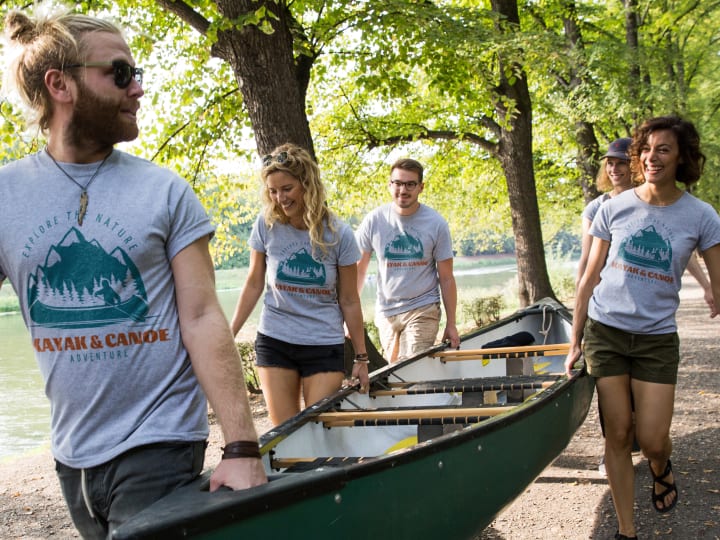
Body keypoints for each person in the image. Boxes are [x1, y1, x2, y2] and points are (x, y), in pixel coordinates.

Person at [0, 9, 266, 538]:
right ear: (61, 85)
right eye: (120, 73)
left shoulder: (165, 193)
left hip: (160, 441)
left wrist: (239, 445)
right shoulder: (6, 196)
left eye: (137, 73)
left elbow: (202, 316)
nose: (138, 88)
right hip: (71, 454)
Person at [566, 116, 720, 540]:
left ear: (683, 158)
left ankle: (659, 465)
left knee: (652, 439)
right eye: (647, 149)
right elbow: (589, 276)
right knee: (617, 432)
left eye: (664, 149)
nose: (652, 157)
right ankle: (627, 531)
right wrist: (575, 339)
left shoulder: (701, 216)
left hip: (656, 339)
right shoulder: (613, 208)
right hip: (607, 331)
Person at [230, 143, 369, 426]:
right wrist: (228, 335)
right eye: (273, 190)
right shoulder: (266, 224)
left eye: (287, 188)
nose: (280, 198)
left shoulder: (338, 233)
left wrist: (361, 356)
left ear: (307, 184)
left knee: (316, 428)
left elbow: (349, 300)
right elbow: (254, 283)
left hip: (323, 343)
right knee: (286, 433)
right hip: (275, 339)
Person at [356, 158, 461, 362]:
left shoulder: (436, 223)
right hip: (386, 312)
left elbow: (447, 278)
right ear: (390, 184)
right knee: (397, 371)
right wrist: (348, 314)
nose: (403, 190)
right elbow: (359, 269)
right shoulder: (374, 220)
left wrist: (451, 323)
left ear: (421, 187)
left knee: (410, 364)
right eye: (398, 183)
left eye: (410, 184)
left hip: (423, 308)